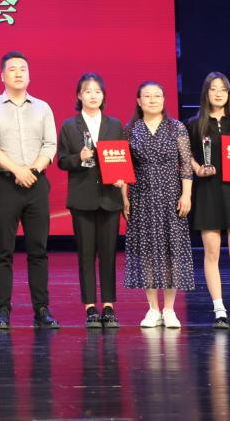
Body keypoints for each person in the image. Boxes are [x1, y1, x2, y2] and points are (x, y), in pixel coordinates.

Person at [0, 51, 59, 329]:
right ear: (2, 76)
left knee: (38, 249)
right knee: (4, 249)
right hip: (6, 183)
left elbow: (50, 144)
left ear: (29, 75)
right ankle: (2, 310)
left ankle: (42, 308)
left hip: (36, 183)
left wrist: (32, 171)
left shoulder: (43, 107)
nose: (18, 73)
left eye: (23, 69)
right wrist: (17, 170)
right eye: (12, 69)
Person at [56, 73, 128, 329]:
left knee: (108, 254)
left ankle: (108, 305)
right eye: (87, 91)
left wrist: (121, 177)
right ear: (79, 95)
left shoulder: (115, 124)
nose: (93, 95)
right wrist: (79, 157)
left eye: (97, 91)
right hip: (82, 198)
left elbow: (121, 157)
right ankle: (89, 306)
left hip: (109, 197)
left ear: (103, 96)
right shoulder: (69, 125)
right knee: (86, 254)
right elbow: (61, 160)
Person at [186, 72, 230, 330]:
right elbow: (186, 155)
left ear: (229, 94)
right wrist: (197, 168)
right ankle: (218, 309)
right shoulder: (193, 124)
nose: (218, 94)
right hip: (207, 192)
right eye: (213, 89)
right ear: (206, 93)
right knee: (212, 252)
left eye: (223, 89)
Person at [123, 81, 194, 328]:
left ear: (164, 100)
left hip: (171, 196)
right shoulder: (131, 129)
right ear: (139, 101)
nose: (153, 100)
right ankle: (153, 309)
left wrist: (186, 195)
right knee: (148, 253)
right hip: (141, 196)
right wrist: (124, 198)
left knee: (171, 251)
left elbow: (186, 164)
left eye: (158, 96)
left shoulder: (176, 127)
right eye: (147, 96)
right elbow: (123, 167)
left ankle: (170, 309)